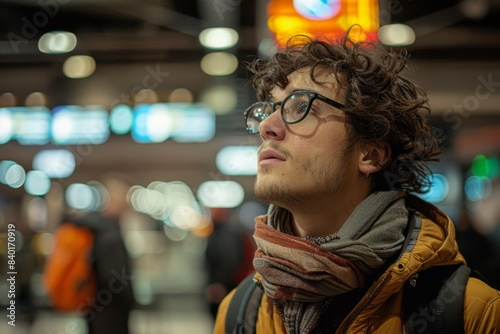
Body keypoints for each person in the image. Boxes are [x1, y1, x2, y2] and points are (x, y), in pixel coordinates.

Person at [213, 30, 500, 333]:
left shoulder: (470, 312)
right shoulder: (238, 311)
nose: (268, 127)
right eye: (268, 110)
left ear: (371, 155)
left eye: (300, 107)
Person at [73, 176, 136, 334]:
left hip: (94, 306)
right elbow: (115, 275)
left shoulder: (96, 228)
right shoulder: (110, 234)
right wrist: (131, 298)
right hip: (112, 311)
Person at [204, 207, 256, 319]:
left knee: (222, 317)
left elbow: (229, 259)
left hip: (224, 287)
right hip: (225, 285)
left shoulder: (226, 234)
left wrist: (219, 283)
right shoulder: (221, 231)